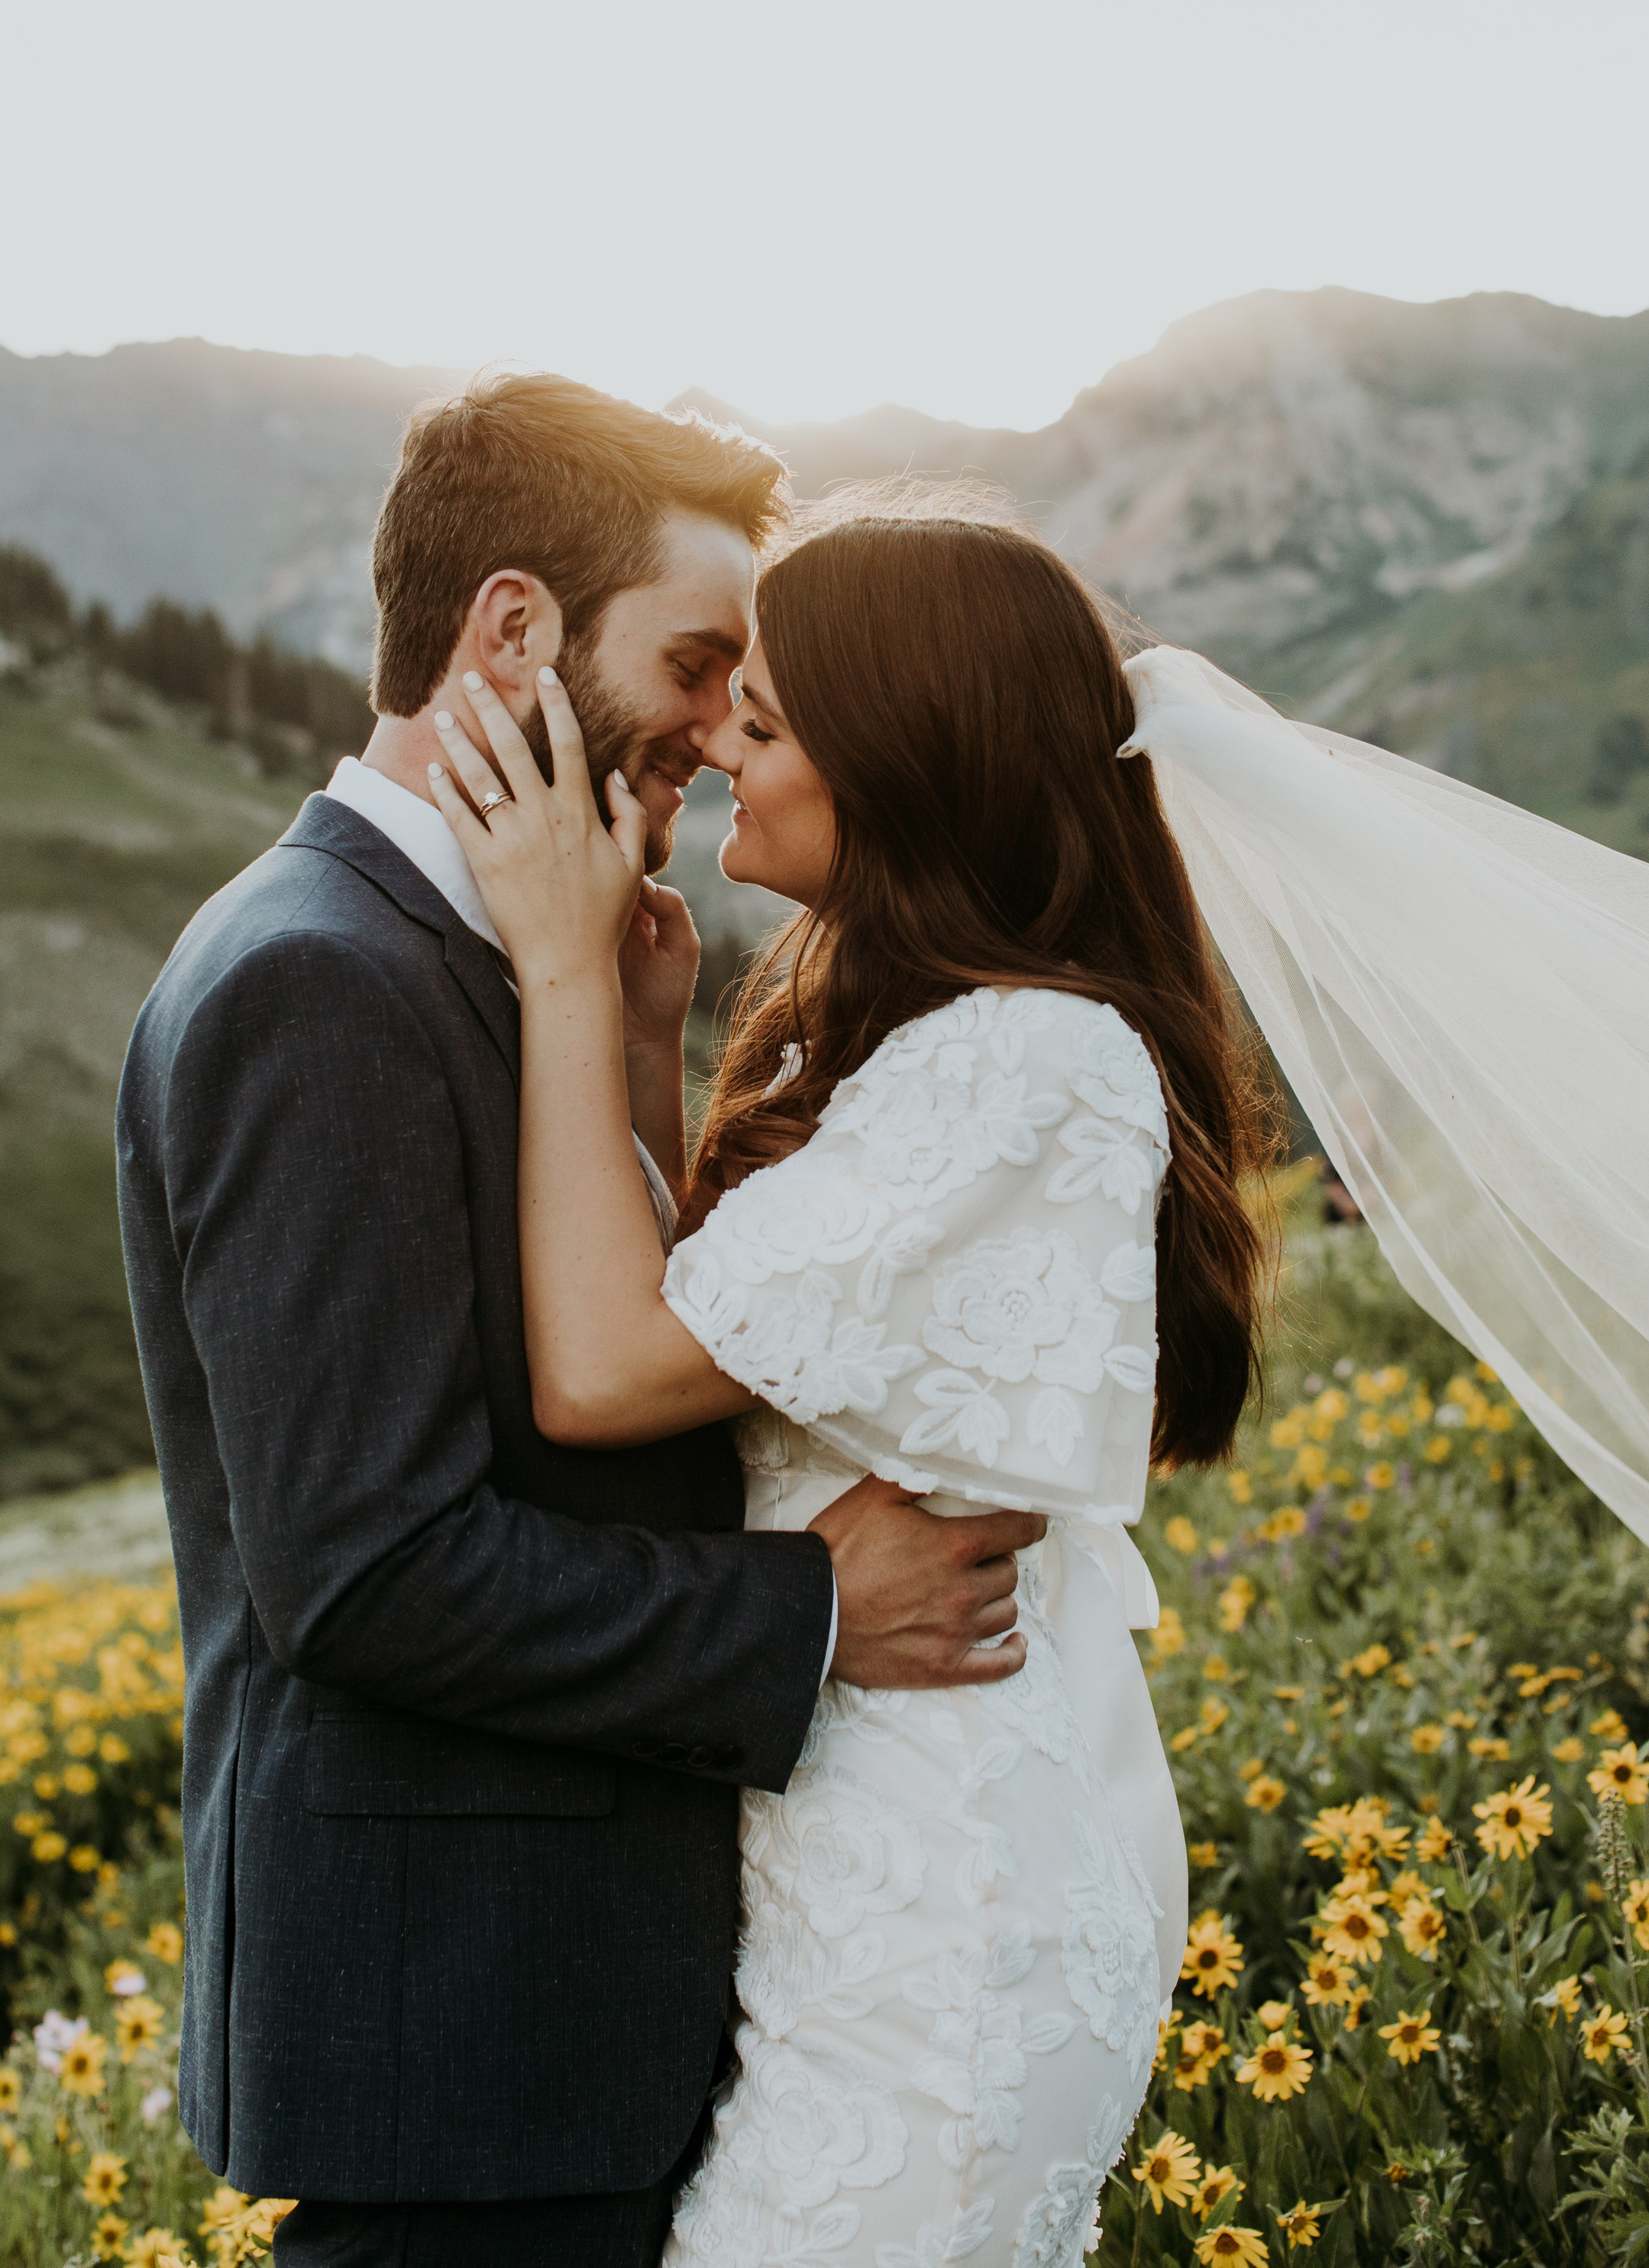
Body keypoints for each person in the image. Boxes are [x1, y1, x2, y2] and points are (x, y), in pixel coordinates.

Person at [117, 382, 1048, 2268]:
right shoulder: (322, 981)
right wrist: (810, 1614)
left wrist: (632, 1053)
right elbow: (363, 1569)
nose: (720, 741)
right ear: (514, 628)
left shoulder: (465, 959)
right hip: (468, 2051)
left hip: (544, 2031)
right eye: (697, 666)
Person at [427, 501, 1275, 2268]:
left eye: (770, 716)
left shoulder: (1020, 1060)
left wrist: (562, 968)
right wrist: (650, 1049)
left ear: (905, 760)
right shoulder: (912, 1036)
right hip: (880, 1854)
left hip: (944, 1908)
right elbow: (724, 1335)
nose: (717, 739)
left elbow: (601, 1370)